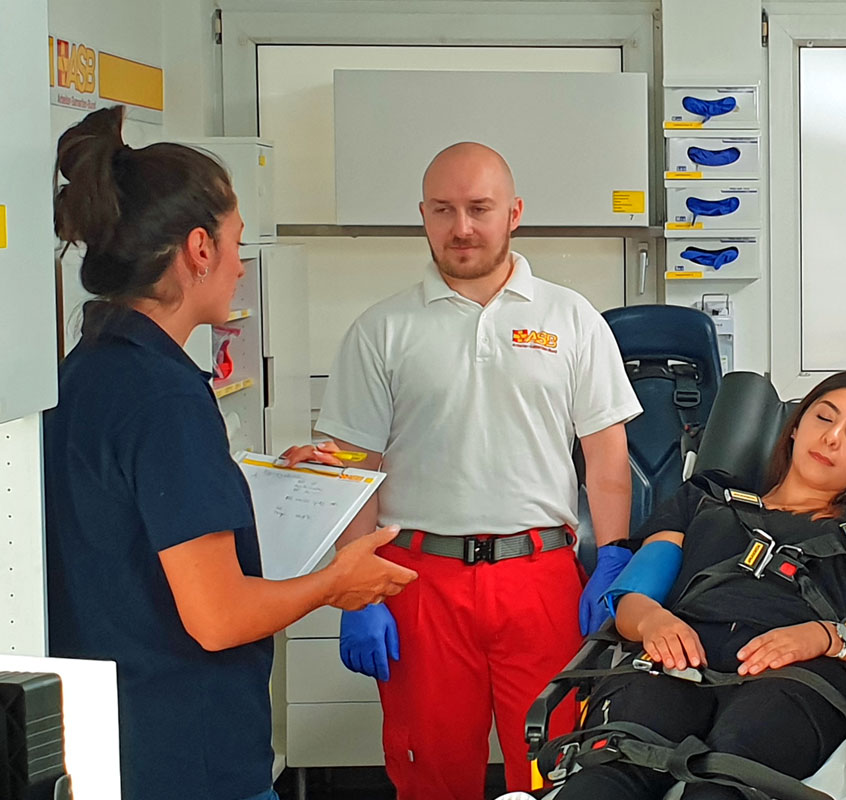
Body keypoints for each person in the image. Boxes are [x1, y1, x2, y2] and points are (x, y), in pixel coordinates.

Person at [43, 106, 417, 800]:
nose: (242, 267)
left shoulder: (89, 368)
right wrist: (335, 584)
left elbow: (133, 528)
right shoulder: (164, 400)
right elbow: (217, 618)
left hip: (107, 740)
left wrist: (263, 485)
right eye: (236, 244)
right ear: (198, 249)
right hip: (184, 753)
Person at [282, 142, 642, 798]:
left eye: (479, 209)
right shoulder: (381, 329)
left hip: (541, 579)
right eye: (444, 210)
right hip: (419, 583)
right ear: (422, 215)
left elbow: (606, 454)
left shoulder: (572, 319)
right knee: (431, 774)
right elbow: (357, 465)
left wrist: (614, 555)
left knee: (555, 769)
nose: (462, 227)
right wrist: (354, 585)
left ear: (514, 214)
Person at [551, 371, 846, 800]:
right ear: (797, 426)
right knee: (607, 776)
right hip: (674, 660)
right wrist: (653, 622)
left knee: (728, 783)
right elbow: (634, 596)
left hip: (795, 675)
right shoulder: (704, 498)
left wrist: (823, 637)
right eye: (823, 418)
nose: (832, 439)